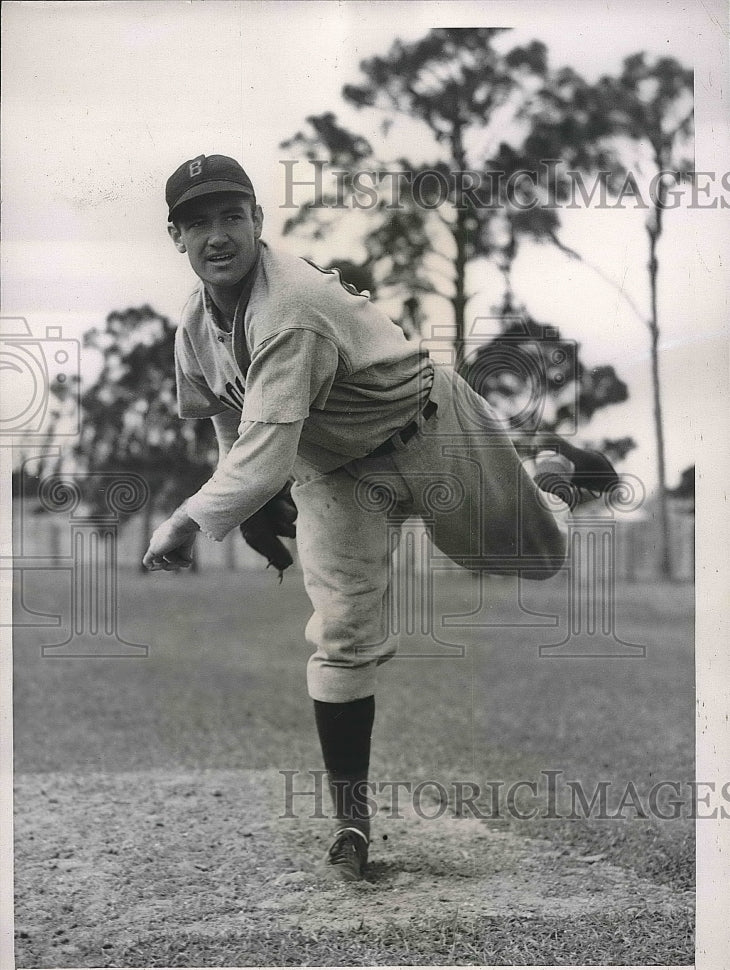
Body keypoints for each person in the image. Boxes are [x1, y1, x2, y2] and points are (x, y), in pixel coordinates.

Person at [143, 154, 618, 882]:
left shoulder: (289, 306)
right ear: (176, 236)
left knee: (538, 558)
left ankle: (549, 476)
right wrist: (249, 500)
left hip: (429, 430)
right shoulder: (196, 327)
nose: (218, 234)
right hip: (335, 473)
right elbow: (229, 419)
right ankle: (351, 826)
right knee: (341, 635)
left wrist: (192, 518)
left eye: (232, 215)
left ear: (258, 222)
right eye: (199, 221)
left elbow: (263, 451)